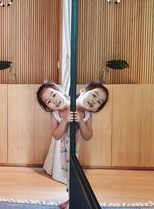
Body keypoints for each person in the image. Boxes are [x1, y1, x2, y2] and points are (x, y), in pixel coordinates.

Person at [36, 81, 109, 209]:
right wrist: (64, 120)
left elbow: (87, 136)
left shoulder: (86, 113)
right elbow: (56, 135)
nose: (54, 100)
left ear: (60, 91)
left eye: (53, 94)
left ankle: (72, 200)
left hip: (74, 150)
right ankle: (71, 199)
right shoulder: (55, 114)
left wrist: (80, 121)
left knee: (73, 177)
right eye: (48, 101)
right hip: (64, 151)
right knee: (69, 178)